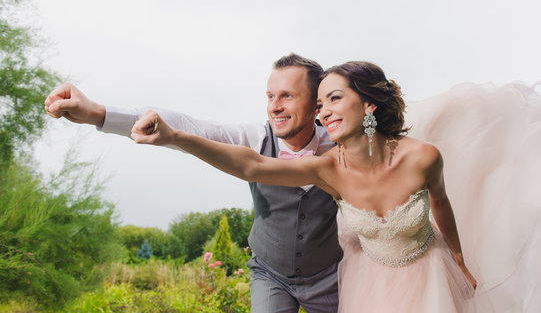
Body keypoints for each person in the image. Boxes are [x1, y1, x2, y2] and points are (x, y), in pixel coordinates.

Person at [129, 61, 481, 312]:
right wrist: (175, 136)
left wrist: (460, 259)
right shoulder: (327, 169)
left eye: (335, 99)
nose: (323, 112)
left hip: (427, 272)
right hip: (368, 282)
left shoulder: (423, 157)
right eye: (320, 103)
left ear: (369, 103)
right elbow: (251, 165)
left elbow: (441, 203)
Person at [44, 53, 342, 313]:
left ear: (317, 106)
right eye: (269, 96)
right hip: (271, 274)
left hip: (329, 276)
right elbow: (191, 127)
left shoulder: (343, 147)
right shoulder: (257, 138)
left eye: (287, 96)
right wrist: (98, 112)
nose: (274, 106)